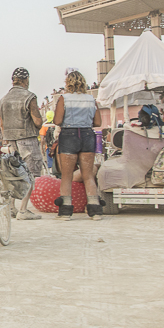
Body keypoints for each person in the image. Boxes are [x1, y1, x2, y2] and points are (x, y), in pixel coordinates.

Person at [52, 69, 103, 220]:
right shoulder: (91, 99)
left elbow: (57, 121)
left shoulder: (64, 98)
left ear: (68, 83)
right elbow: (98, 122)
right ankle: (95, 210)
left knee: (67, 175)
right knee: (88, 175)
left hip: (69, 135)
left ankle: (65, 211)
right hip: (87, 135)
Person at [0, 67, 43, 220]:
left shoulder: (3, 100)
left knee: (13, 174)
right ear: (26, 80)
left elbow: (2, 124)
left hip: (10, 141)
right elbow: (37, 122)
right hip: (27, 140)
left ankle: (11, 207)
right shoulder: (29, 97)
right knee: (29, 175)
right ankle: (23, 209)